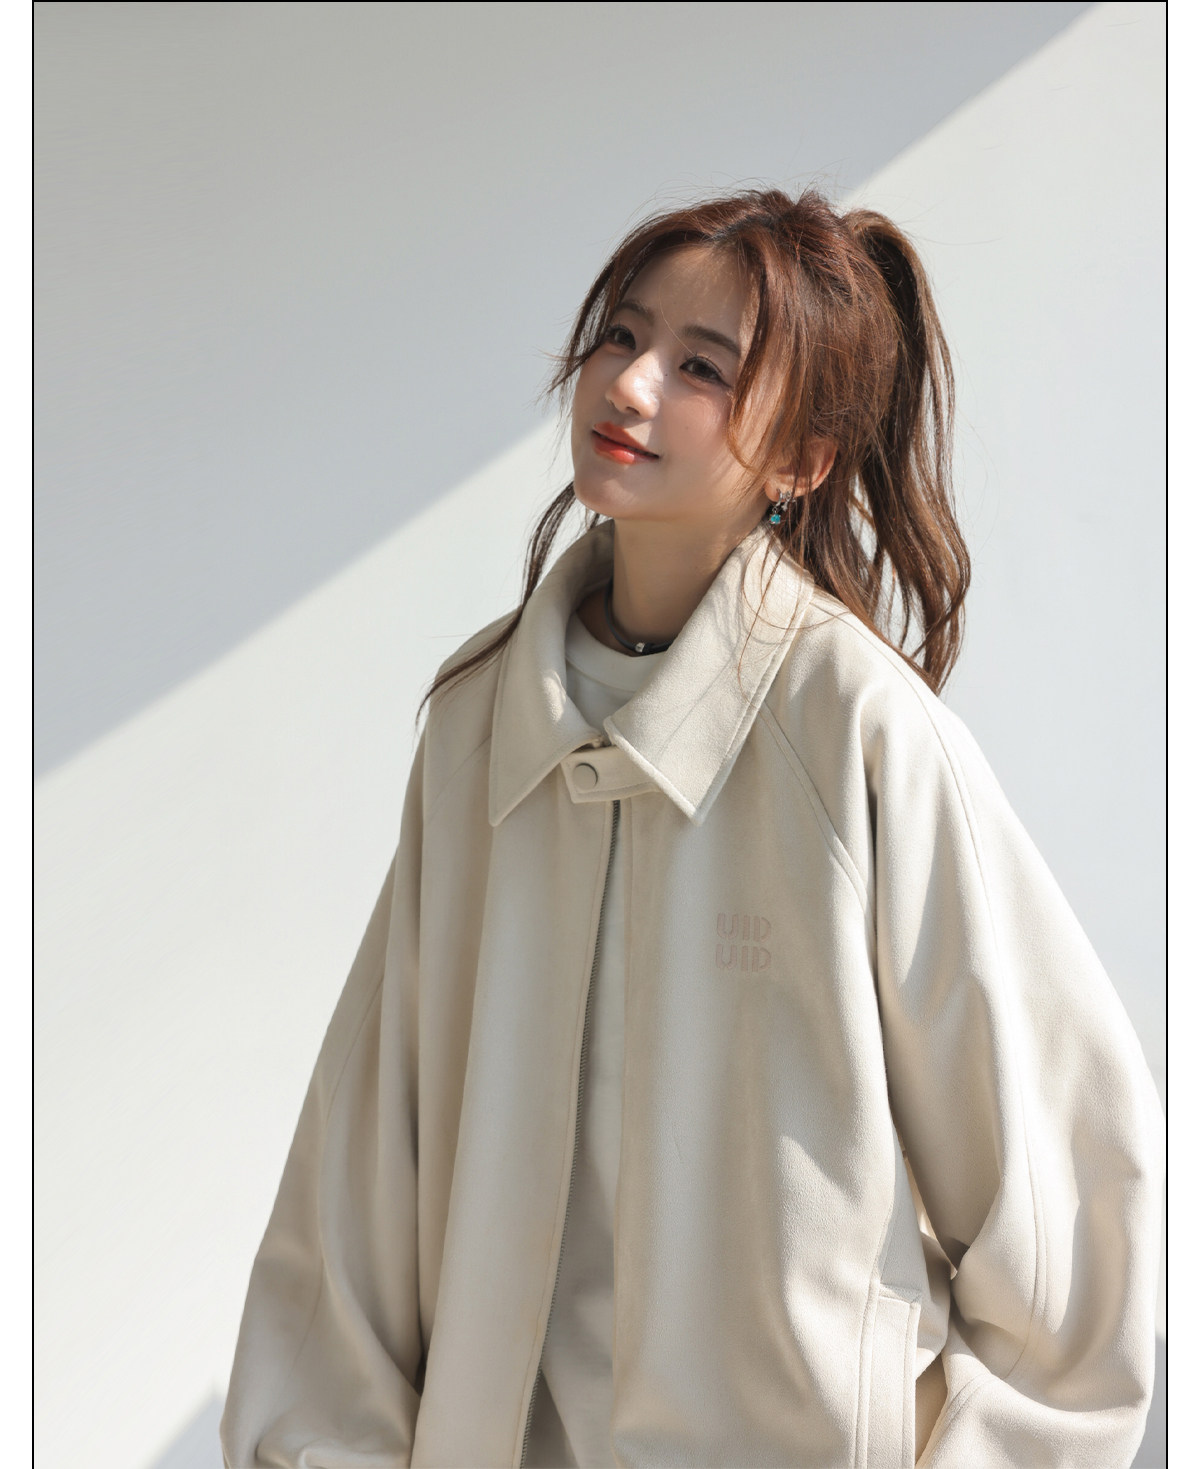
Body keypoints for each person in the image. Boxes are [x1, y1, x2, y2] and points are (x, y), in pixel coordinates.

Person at [220, 187, 1163, 1469]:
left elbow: (1068, 1199)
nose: (629, 382)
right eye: (621, 334)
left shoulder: (856, 729)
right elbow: (355, 1197)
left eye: (702, 367)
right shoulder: (479, 725)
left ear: (803, 459)